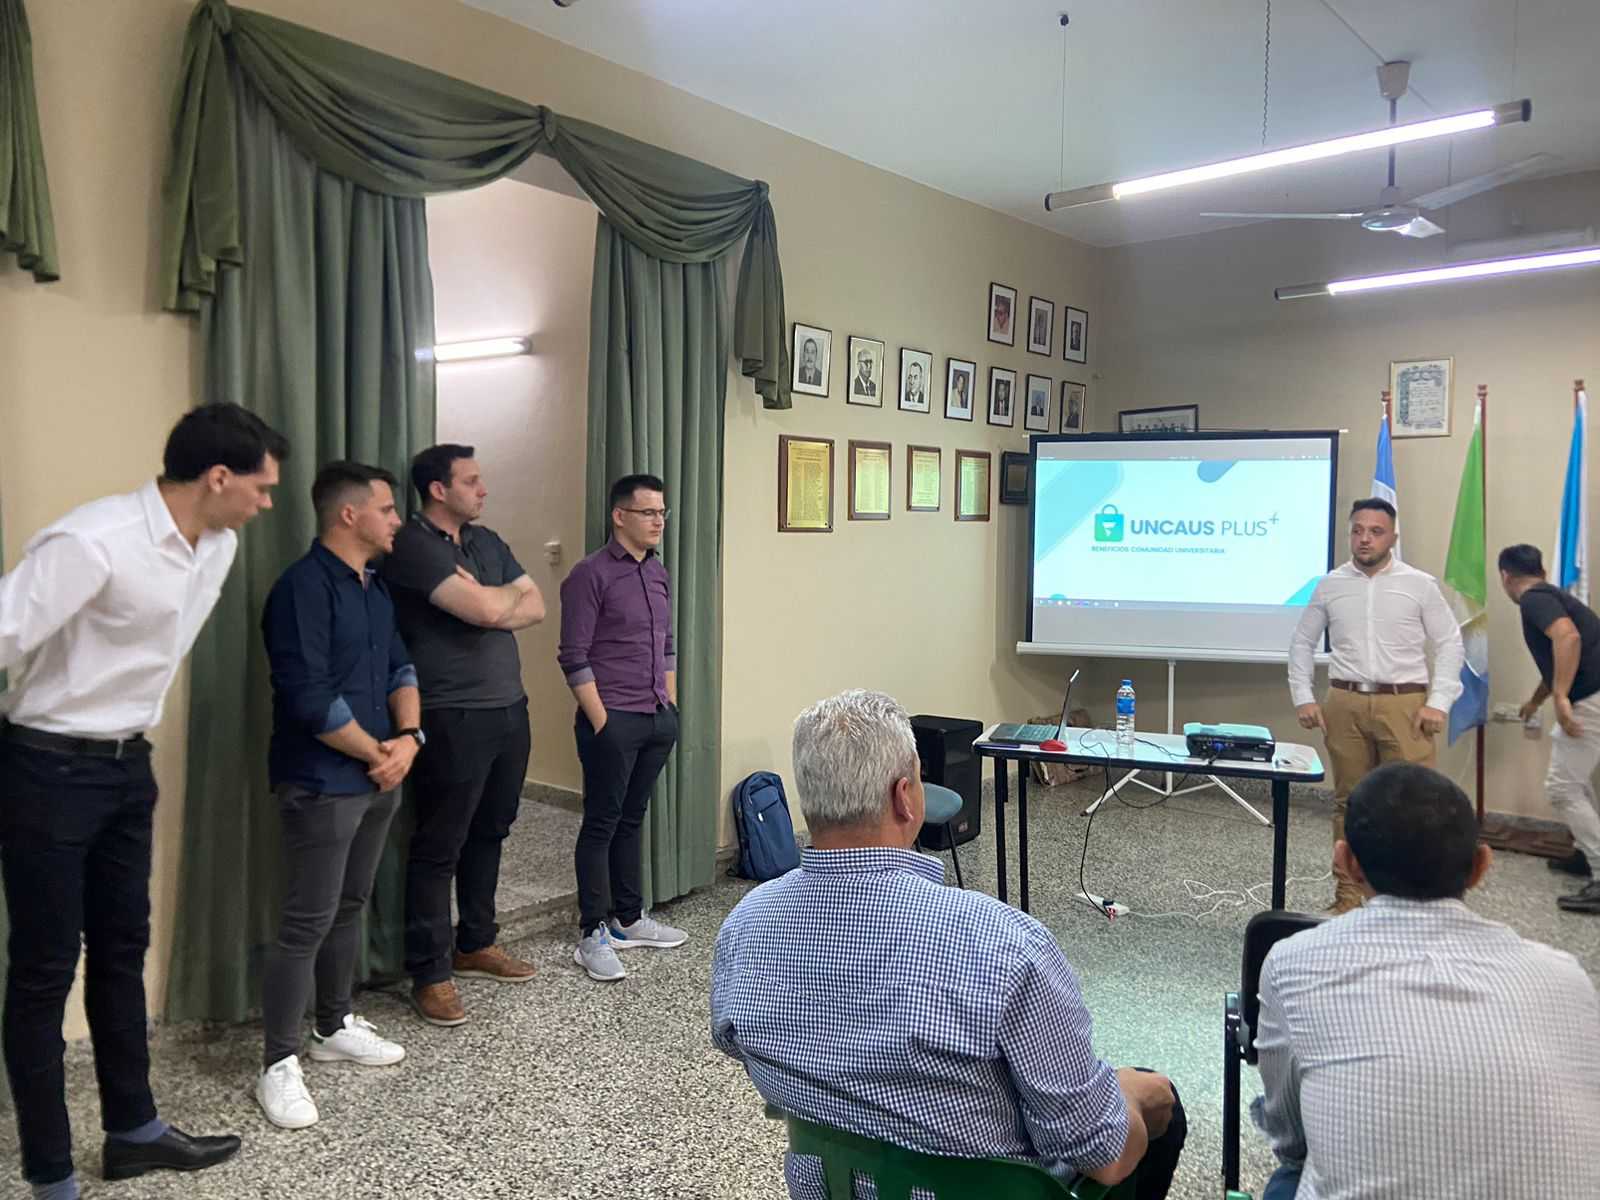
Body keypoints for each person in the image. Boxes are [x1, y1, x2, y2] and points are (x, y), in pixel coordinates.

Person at [712, 690, 1186, 1200]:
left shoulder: (744, 926)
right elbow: (1102, 1157)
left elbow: (732, 1042)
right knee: (1157, 1099)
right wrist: (1136, 1095)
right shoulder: (1007, 945)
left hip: (828, 1187)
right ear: (905, 797)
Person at [0, 403, 287, 1200]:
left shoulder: (218, 546)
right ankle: (51, 1173)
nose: (267, 503)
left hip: (129, 766)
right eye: (261, 487)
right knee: (44, 971)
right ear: (218, 477)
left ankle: (133, 1130)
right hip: (46, 766)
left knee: (122, 949)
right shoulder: (93, 540)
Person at [1254, 762, 1600, 1200]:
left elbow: (1289, 1137)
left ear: (1346, 862)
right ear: (1481, 866)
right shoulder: (1568, 976)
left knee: (1292, 1175)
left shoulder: (1294, 961)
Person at [256, 462, 417, 1129]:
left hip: (380, 776)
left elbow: (401, 667)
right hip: (324, 782)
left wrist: (409, 739)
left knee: (351, 904)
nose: (397, 520)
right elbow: (309, 696)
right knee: (307, 919)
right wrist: (379, 753)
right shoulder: (301, 588)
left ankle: (332, 1026)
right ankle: (277, 1062)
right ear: (349, 514)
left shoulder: (374, 589)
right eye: (387, 508)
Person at [381, 445, 546, 1025]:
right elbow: (489, 611)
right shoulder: (412, 545)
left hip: (508, 708)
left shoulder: (487, 541)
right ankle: (430, 973)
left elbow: (536, 605)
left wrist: (492, 601)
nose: (483, 490)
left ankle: (476, 941)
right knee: (439, 845)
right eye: (471, 481)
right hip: (450, 713)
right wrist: (496, 602)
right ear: (437, 489)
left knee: (491, 830)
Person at [1287, 498, 1463, 913]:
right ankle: (1348, 898)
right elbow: (1302, 642)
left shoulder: (1419, 584)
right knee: (1349, 802)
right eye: (1358, 530)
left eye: (1376, 531)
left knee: (1413, 804)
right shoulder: (1330, 584)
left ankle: (1412, 900)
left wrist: (1439, 702)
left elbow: (1450, 643)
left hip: (1405, 704)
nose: (1365, 539)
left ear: (1393, 538)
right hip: (1344, 702)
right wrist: (1303, 696)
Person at [558, 473, 687, 982]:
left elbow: (667, 645)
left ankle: (628, 918)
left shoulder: (657, 573)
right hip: (611, 721)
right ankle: (592, 932)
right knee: (602, 822)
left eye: (662, 512)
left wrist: (669, 707)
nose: (658, 521)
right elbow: (573, 655)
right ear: (620, 516)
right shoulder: (589, 574)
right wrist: (602, 722)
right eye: (648, 512)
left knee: (632, 820)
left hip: (655, 717)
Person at [1498, 543, 1600, 912]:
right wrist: (1536, 700)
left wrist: (1560, 697)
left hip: (1590, 698)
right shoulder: (1551, 594)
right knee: (1576, 780)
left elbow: (1567, 638)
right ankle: (1586, 853)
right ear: (1541, 570)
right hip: (1592, 694)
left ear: (1505, 576)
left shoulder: (1533, 599)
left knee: (1562, 788)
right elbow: (1558, 660)